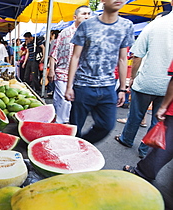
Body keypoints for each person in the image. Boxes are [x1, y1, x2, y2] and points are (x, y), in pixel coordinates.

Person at [64, 0, 134, 144]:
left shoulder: (126, 26)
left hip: (108, 87)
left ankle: (82, 145)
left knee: (107, 126)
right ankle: (70, 152)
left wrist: (122, 88)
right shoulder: (87, 25)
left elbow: (122, 59)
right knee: (74, 127)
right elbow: (75, 56)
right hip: (83, 86)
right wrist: (69, 86)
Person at [114, 6, 173, 158]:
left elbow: (137, 55)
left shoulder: (154, 25)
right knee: (157, 119)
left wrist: (132, 77)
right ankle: (146, 149)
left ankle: (126, 139)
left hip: (147, 80)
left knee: (135, 115)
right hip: (168, 85)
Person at [123, 60, 173, 182]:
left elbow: (137, 58)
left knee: (165, 142)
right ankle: (144, 150)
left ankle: (144, 171)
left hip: (147, 83)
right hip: (160, 87)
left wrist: (164, 107)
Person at [48, 5, 91, 123]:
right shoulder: (65, 33)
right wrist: (51, 70)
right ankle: (61, 124)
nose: (87, 17)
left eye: (89, 14)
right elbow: (54, 52)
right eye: (84, 14)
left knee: (74, 104)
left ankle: (67, 124)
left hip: (81, 77)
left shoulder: (91, 34)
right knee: (63, 101)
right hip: (63, 73)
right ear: (75, 17)